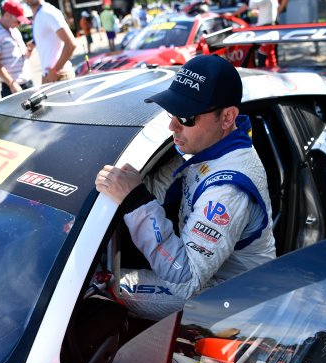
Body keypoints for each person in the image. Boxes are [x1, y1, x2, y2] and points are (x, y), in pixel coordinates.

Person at [95, 55, 276, 320]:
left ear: (227, 117)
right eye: (172, 112)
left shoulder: (228, 189)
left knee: (103, 285)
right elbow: (154, 187)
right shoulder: (206, 146)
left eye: (187, 117)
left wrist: (135, 200)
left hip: (236, 299)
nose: (172, 126)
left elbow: (186, 280)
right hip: (205, 273)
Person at [0, 0, 34, 98]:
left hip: (27, 82)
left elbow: (23, 57)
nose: (19, 24)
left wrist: (30, 49)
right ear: (7, 15)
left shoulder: (14, 30)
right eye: (18, 21)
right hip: (13, 87)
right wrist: (11, 83)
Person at [23, 0, 77, 83]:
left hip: (61, 75)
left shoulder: (48, 12)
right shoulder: (38, 14)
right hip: (50, 76)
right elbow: (48, 37)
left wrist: (55, 70)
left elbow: (71, 44)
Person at [232, 0, 278, 66]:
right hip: (269, 28)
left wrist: (233, 14)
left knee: (262, 55)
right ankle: (273, 71)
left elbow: (250, 4)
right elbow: (267, 11)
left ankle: (264, 73)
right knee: (270, 55)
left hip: (265, 30)